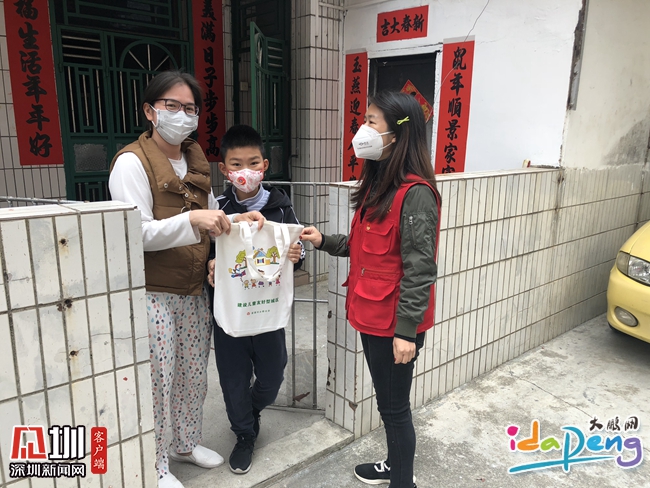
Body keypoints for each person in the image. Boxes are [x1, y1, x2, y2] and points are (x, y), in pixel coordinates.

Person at [109, 71, 263, 488]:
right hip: (153, 291)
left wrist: (237, 219)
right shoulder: (131, 163)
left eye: (190, 108)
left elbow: (212, 218)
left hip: (194, 289)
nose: (182, 115)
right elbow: (136, 232)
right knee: (158, 380)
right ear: (150, 111)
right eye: (172, 106)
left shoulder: (194, 159)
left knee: (193, 374)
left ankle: (185, 443)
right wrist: (192, 219)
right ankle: (156, 463)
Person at [301, 91, 441, 488]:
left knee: (394, 409)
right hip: (372, 315)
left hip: (394, 324)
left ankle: (403, 481)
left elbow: (420, 270)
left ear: (397, 134)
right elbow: (365, 248)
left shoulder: (415, 194)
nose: (362, 129)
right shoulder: (380, 185)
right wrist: (323, 240)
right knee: (387, 403)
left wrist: (406, 332)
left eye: (372, 121)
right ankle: (394, 466)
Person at [206, 124, 304, 474]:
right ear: (224, 169)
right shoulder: (216, 208)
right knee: (233, 379)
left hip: (266, 310)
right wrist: (210, 266)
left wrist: (297, 256)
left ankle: (252, 408)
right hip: (231, 313)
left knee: (273, 375)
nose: (245, 172)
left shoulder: (281, 206)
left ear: (265, 165)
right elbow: (201, 252)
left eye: (252, 163)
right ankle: (245, 434)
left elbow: (298, 250)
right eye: (236, 164)